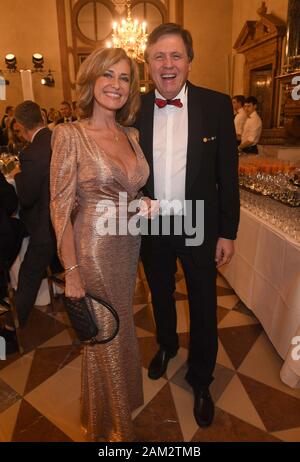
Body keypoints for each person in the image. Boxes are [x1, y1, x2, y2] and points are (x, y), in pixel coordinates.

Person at [135, 23, 240, 428]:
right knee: (159, 292)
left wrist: (228, 231)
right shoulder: (135, 109)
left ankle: (201, 378)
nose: (167, 64)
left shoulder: (216, 105)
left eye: (175, 55)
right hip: (152, 222)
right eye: (158, 56)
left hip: (200, 223)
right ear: (148, 65)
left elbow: (227, 175)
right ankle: (165, 345)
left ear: (189, 63)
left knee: (202, 304)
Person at [50, 47, 150, 442]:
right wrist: (71, 272)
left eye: (124, 78)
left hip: (129, 247)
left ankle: (105, 413)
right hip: (92, 248)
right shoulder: (70, 135)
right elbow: (60, 210)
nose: (116, 85)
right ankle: (116, 433)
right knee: (106, 332)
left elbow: (129, 190)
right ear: (91, 81)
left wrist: (142, 205)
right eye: (108, 75)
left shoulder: (131, 134)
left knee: (119, 327)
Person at [11, 101, 56, 329]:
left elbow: (27, 197)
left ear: (20, 125)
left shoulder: (31, 153)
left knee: (28, 273)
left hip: (47, 226)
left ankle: (15, 324)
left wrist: (18, 175)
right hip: (68, 222)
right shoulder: (57, 138)